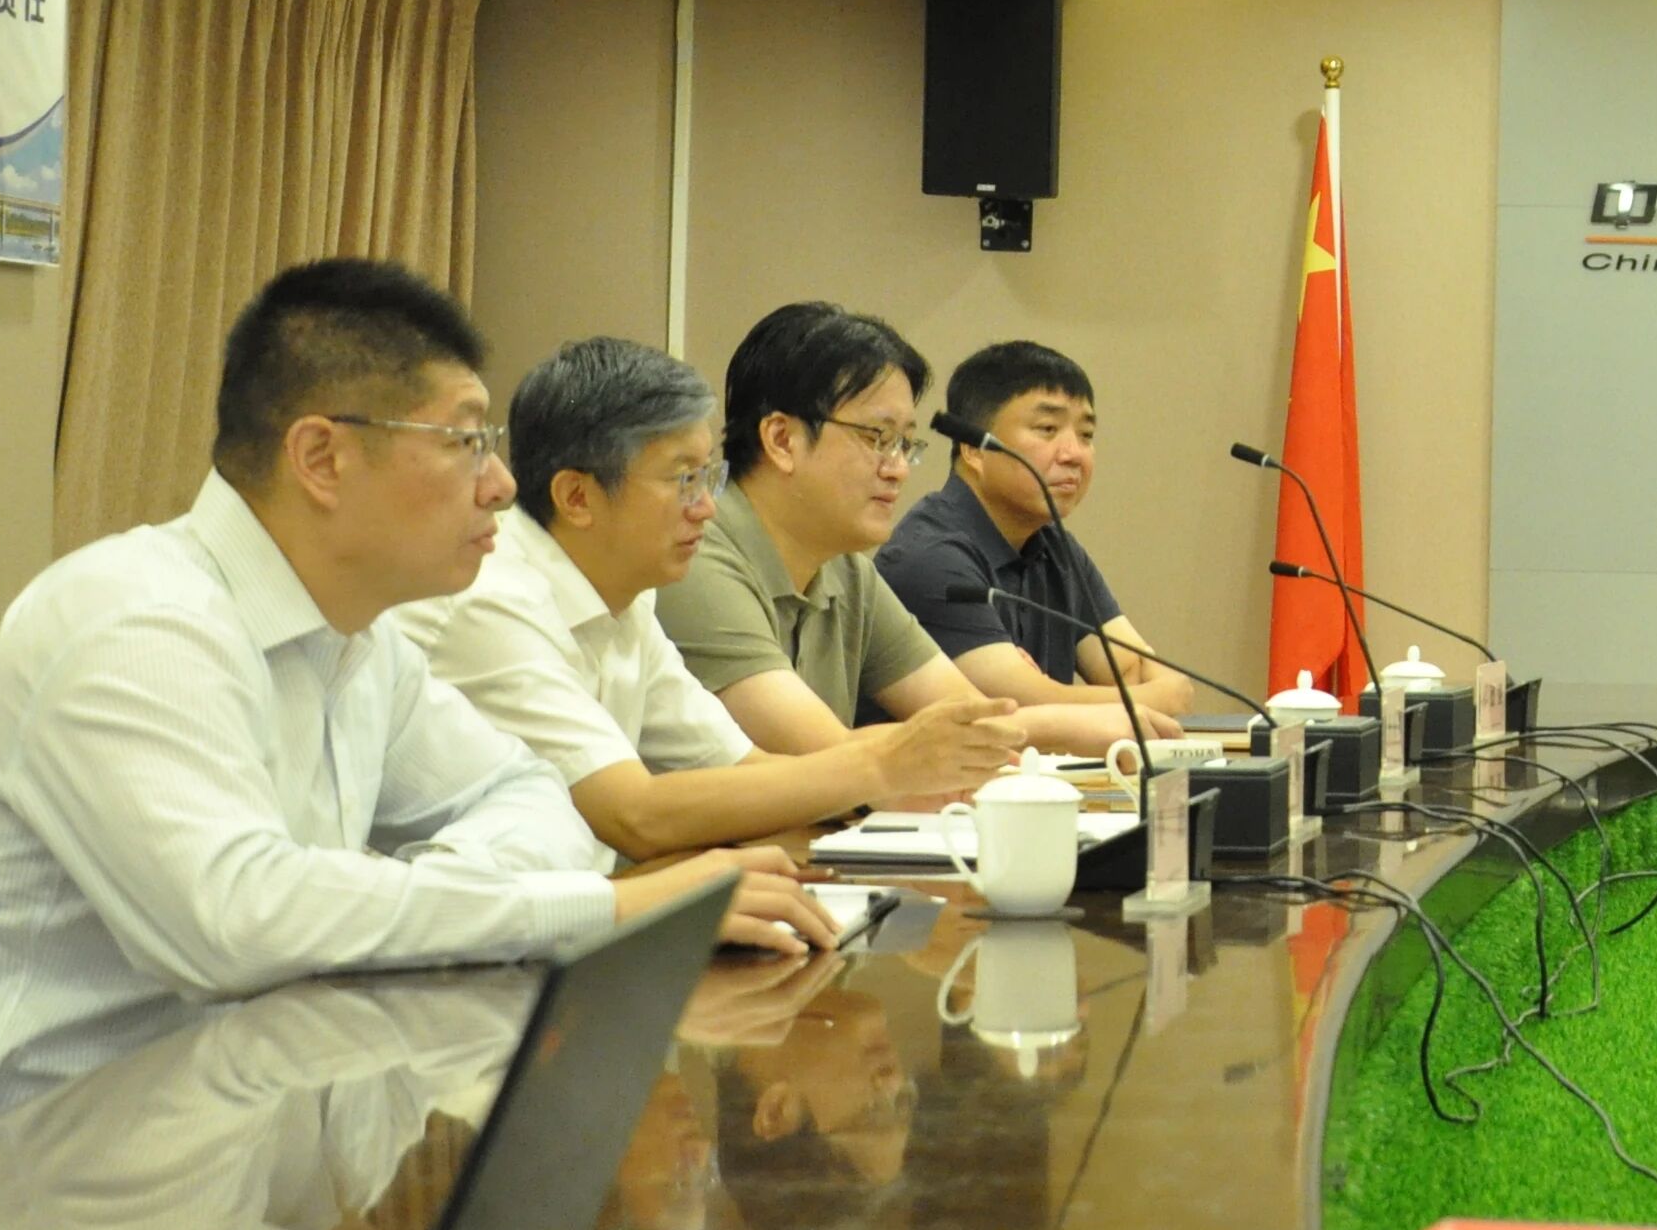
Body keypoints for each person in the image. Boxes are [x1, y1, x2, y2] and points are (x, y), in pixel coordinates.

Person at [0, 260, 823, 1130]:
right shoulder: (135, 622)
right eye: (463, 442)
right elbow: (239, 922)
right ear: (321, 458)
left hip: (224, 1124)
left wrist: (443, 903)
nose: (497, 484)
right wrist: (610, 910)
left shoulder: (362, 637)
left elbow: (534, 800)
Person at [406, 337, 1025, 859]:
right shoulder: (490, 598)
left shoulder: (628, 600)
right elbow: (634, 814)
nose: (706, 507)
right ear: (577, 498)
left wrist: (895, 776)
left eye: (709, 477)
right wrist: (881, 767)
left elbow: (742, 767)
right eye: (684, 480)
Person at [655, 304, 1151, 761]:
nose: (897, 469)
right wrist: (1062, 726)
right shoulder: (696, 555)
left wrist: (1076, 725)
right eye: (878, 438)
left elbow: (964, 715)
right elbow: (824, 754)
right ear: (782, 440)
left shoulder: (847, 570)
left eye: (905, 445)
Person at [877, 340, 1197, 722]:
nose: (1074, 454)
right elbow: (1021, 706)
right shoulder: (929, 556)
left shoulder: (1055, 546)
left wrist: (1157, 693)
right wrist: (1160, 696)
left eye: (1086, 435)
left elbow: (1134, 670)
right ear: (974, 449)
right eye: (1047, 429)